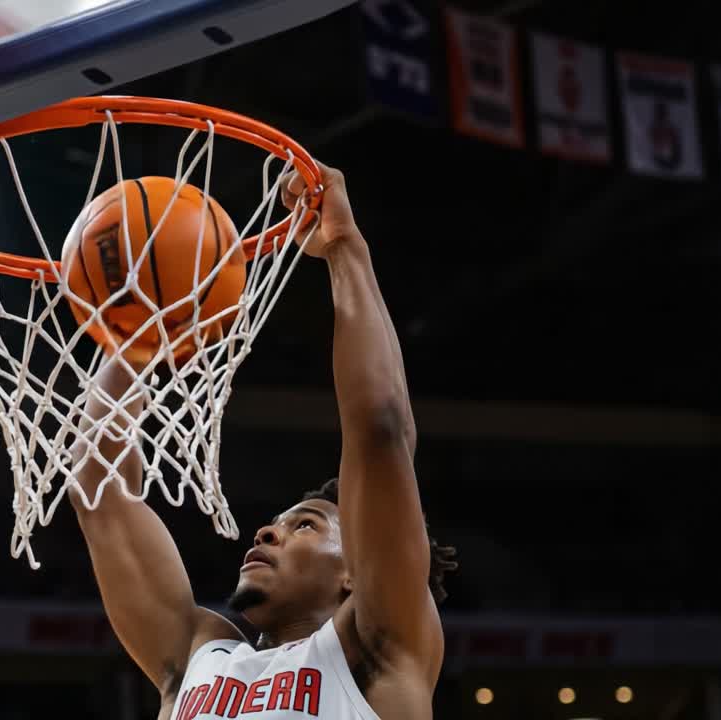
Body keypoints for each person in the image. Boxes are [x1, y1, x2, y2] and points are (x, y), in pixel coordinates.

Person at [70, 163, 458, 719]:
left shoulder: (378, 650)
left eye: (306, 526)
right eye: (283, 522)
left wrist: (345, 247)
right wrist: (134, 330)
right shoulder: (198, 652)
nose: (268, 531)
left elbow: (380, 429)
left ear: (354, 573)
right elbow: (100, 492)